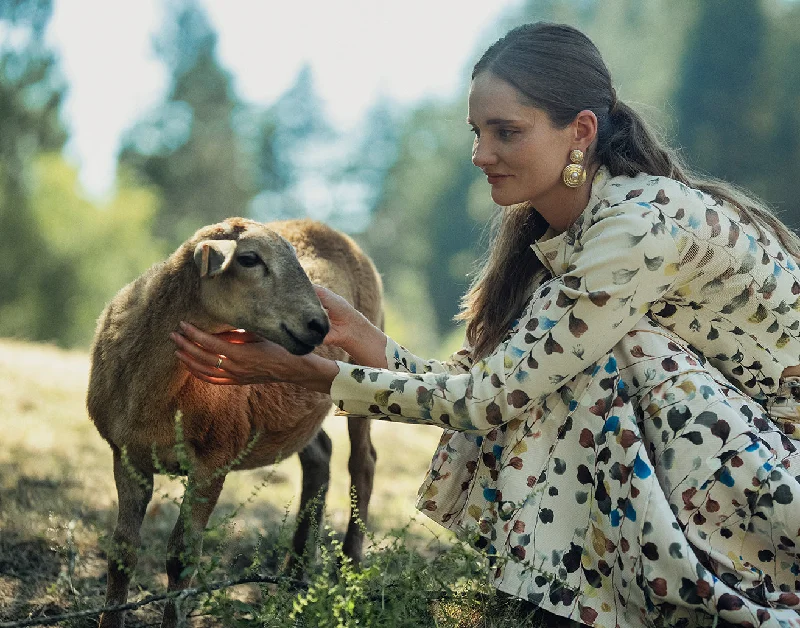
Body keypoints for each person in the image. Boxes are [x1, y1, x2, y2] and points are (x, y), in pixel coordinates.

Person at [170, 22, 800, 628]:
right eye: (477, 132)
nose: (481, 154)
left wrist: (313, 374)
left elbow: (493, 400)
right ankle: (576, 601)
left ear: (579, 131)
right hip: (735, 482)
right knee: (581, 364)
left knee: (621, 357)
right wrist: (371, 346)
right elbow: (497, 379)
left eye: (505, 132)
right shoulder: (570, 227)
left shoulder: (635, 229)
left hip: (780, 498)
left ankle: (615, 608)